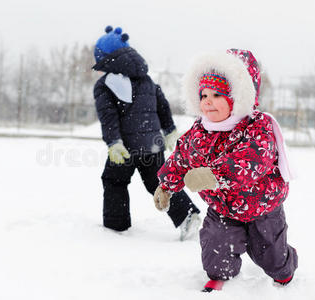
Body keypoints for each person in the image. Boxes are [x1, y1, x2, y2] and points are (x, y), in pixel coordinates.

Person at [153, 49, 298, 291]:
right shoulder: (200, 130)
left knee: (271, 256)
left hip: (261, 206)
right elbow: (182, 158)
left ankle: (284, 270)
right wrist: (166, 185)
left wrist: (213, 176)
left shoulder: (256, 127)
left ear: (238, 97)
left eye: (217, 94)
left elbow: (251, 161)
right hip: (222, 207)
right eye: (203, 95)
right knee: (216, 246)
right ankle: (219, 274)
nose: (207, 101)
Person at [92, 25, 200, 240]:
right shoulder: (146, 80)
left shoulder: (105, 85)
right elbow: (162, 105)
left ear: (105, 59)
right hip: (153, 144)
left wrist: (114, 142)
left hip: (125, 148)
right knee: (159, 182)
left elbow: (108, 116)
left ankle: (116, 226)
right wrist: (169, 130)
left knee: (114, 181)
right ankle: (186, 215)